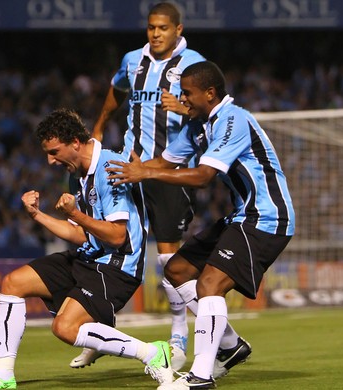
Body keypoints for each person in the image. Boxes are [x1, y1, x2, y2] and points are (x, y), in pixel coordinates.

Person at [106, 61, 295, 389]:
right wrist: (123, 167)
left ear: (210, 93)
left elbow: (203, 177)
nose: (183, 100)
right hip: (242, 216)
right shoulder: (198, 125)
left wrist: (145, 173)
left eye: (188, 93)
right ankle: (231, 346)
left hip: (267, 218)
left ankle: (200, 377)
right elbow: (164, 162)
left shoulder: (234, 119)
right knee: (177, 271)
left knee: (210, 285)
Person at [0, 108, 174, 390]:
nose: (50, 160)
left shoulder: (111, 168)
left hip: (118, 266)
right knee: (14, 282)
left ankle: (154, 354)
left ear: (75, 143)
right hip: (88, 257)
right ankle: (2, 374)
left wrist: (79, 214)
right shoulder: (76, 175)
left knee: (64, 328)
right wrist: (38, 215)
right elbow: (79, 234)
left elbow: (119, 236)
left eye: (54, 151)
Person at [71, 2, 206, 371]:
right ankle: (101, 332)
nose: (156, 33)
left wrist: (185, 109)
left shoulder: (193, 63)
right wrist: (100, 123)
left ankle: (179, 334)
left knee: (166, 258)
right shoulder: (133, 60)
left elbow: (211, 108)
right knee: (108, 248)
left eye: (163, 28)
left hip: (166, 171)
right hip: (129, 167)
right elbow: (116, 89)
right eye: (151, 27)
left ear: (178, 29)